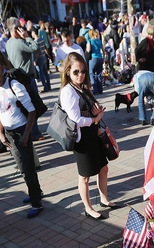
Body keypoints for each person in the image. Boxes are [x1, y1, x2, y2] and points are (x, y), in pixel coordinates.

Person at [59, 53, 118, 220]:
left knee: (103, 168)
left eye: (83, 71)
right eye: (76, 72)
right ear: (68, 72)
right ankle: (88, 208)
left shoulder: (81, 88)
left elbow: (85, 109)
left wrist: (96, 110)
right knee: (85, 177)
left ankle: (104, 199)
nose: (81, 75)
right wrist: (95, 119)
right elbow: (75, 119)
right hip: (81, 139)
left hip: (92, 135)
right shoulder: (68, 91)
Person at [0, 60, 45, 218]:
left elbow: (31, 111)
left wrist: (26, 135)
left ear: (2, 71)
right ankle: (35, 192)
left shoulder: (14, 85)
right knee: (22, 167)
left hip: (22, 130)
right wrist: (0, 132)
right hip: (8, 133)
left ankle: (37, 203)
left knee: (29, 167)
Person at [87, 28, 105, 94]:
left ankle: (95, 89)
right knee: (99, 74)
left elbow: (88, 50)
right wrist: (103, 57)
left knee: (91, 73)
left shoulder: (90, 41)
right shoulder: (99, 41)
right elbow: (103, 49)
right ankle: (100, 89)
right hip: (100, 57)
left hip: (93, 58)